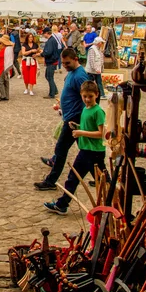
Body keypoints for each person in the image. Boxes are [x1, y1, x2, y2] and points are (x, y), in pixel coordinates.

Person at [44, 80, 105, 215]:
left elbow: (101, 133)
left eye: (90, 96)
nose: (87, 99)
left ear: (96, 94)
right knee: (72, 178)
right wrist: (77, 127)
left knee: (104, 182)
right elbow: (88, 128)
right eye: (85, 97)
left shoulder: (98, 111)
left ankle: (113, 205)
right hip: (85, 151)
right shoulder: (85, 109)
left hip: (95, 153)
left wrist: (81, 132)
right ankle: (62, 204)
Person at [34, 48, 89, 191]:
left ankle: (51, 181)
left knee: (61, 149)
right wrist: (61, 105)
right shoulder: (72, 73)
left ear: (76, 59)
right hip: (70, 116)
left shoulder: (80, 76)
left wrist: (83, 120)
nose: (64, 65)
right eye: (63, 63)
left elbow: (87, 98)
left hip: (74, 119)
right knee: (87, 150)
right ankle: (104, 176)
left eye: (67, 63)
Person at [0, 34, 14, 101]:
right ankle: (6, 95)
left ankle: (3, 95)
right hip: (6, 67)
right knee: (5, 81)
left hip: (3, 67)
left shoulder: (6, 49)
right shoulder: (9, 48)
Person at [41, 27, 59, 99]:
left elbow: (49, 52)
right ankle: (54, 90)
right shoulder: (52, 40)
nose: (43, 35)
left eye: (44, 34)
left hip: (51, 61)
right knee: (48, 76)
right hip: (52, 61)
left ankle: (52, 93)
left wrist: (42, 54)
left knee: (49, 77)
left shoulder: (50, 41)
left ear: (46, 33)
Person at [85, 36, 106, 100]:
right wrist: (95, 69)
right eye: (101, 42)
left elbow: (100, 59)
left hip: (97, 70)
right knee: (89, 83)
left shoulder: (98, 49)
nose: (102, 44)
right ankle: (88, 94)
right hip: (91, 71)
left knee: (99, 82)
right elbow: (91, 61)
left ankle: (101, 94)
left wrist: (100, 68)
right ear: (99, 43)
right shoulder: (92, 49)